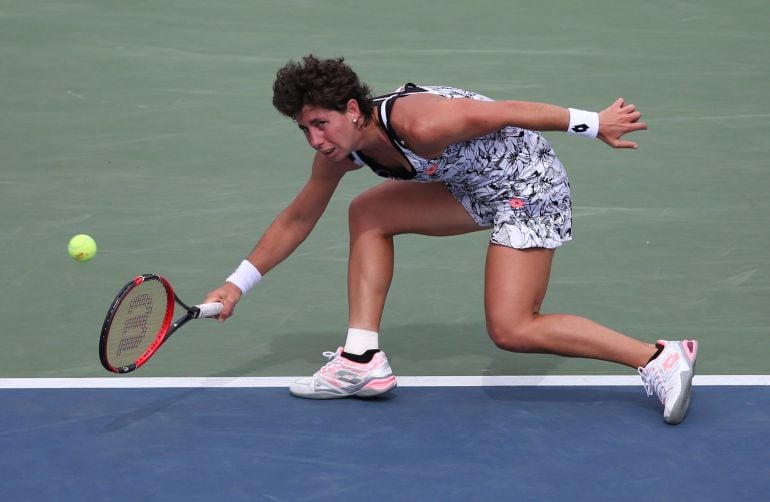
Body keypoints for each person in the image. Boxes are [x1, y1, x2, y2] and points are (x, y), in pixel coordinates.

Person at [204, 55, 698, 424]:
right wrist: (237, 283)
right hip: (473, 186)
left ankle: (658, 358)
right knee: (368, 212)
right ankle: (360, 359)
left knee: (513, 329)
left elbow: (507, 110)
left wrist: (594, 123)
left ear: (353, 110)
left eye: (320, 123)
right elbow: (297, 218)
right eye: (303, 128)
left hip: (528, 184)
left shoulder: (422, 122)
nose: (315, 139)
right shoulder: (342, 152)